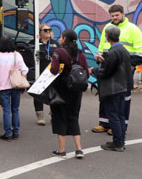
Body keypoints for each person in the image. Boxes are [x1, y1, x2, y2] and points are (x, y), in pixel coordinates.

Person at [91, 4, 142, 134]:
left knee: (122, 96)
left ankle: (120, 126)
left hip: (124, 69)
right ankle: (104, 123)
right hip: (108, 65)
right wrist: (100, 59)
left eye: (117, 15)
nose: (114, 18)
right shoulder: (107, 27)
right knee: (105, 94)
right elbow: (102, 46)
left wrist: (132, 65)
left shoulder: (132, 29)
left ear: (123, 14)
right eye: (112, 16)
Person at [48, 29, 89, 159]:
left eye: (61, 37)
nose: (60, 39)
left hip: (62, 90)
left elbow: (54, 70)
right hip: (76, 91)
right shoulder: (80, 54)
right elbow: (86, 72)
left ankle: (62, 150)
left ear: (64, 39)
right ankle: (79, 149)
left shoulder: (58, 52)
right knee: (73, 117)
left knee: (60, 118)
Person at [93, 26, 132, 152]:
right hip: (122, 86)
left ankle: (118, 143)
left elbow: (106, 72)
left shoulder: (113, 52)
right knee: (120, 115)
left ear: (107, 37)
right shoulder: (123, 50)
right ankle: (120, 141)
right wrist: (103, 60)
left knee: (113, 115)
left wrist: (93, 70)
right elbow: (116, 67)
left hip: (113, 88)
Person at [0, 35, 28, 141]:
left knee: (6, 110)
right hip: (16, 85)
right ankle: (16, 132)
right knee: (15, 109)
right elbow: (25, 70)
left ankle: (8, 134)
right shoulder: (17, 55)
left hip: (2, 86)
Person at [36, 23, 59, 125]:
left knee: (53, 95)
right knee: (38, 94)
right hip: (40, 73)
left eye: (49, 29)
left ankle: (54, 114)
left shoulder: (55, 43)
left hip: (52, 73)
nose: (48, 32)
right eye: (45, 30)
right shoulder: (36, 43)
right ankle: (40, 116)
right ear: (40, 32)